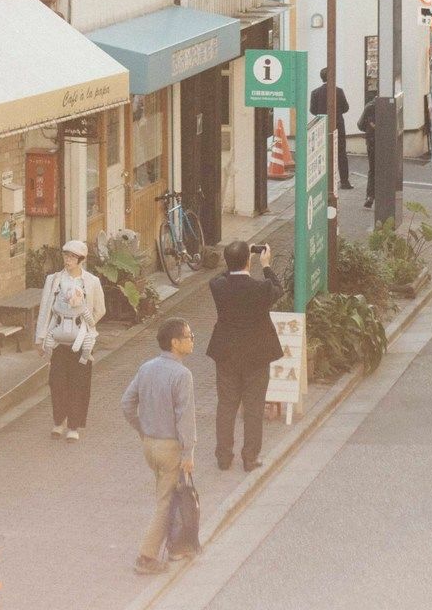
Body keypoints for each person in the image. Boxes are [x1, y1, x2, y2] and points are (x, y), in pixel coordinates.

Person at [120, 318, 198, 575]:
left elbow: (127, 403)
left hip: (150, 445)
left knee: (167, 495)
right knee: (165, 502)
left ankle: (176, 546)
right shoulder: (182, 375)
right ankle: (147, 556)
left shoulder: (147, 367)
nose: (192, 339)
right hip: (170, 448)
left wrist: (142, 429)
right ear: (175, 343)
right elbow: (185, 417)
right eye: (188, 336)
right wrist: (188, 452)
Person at [207, 240, 283, 472]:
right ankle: (250, 457)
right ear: (249, 262)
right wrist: (266, 265)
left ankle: (223, 456)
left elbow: (222, 275)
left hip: (226, 354)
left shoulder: (217, 286)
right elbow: (278, 288)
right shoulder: (261, 289)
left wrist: (237, 260)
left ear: (229, 264)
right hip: (256, 356)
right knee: (253, 406)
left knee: (226, 405)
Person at [34, 239, 106, 441]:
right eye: (66, 256)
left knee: (79, 383)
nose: (68, 260)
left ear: (81, 259)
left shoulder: (92, 282)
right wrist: (40, 338)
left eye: (73, 257)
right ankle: (58, 422)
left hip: (81, 340)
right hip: (57, 338)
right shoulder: (54, 279)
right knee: (56, 382)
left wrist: (86, 324)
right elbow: (45, 310)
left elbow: (100, 309)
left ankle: (73, 426)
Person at [310, 68, 352, 192]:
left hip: (321, 125)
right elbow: (346, 108)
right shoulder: (338, 91)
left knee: (321, 153)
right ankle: (344, 181)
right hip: (338, 124)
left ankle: (321, 182)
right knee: (341, 153)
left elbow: (313, 110)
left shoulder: (315, 92)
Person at [356, 100, 379, 209]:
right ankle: (386, 196)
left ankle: (370, 196)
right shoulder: (391, 105)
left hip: (372, 141)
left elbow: (360, 125)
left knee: (373, 170)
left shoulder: (370, 106)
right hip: (388, 142)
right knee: (387, 170)